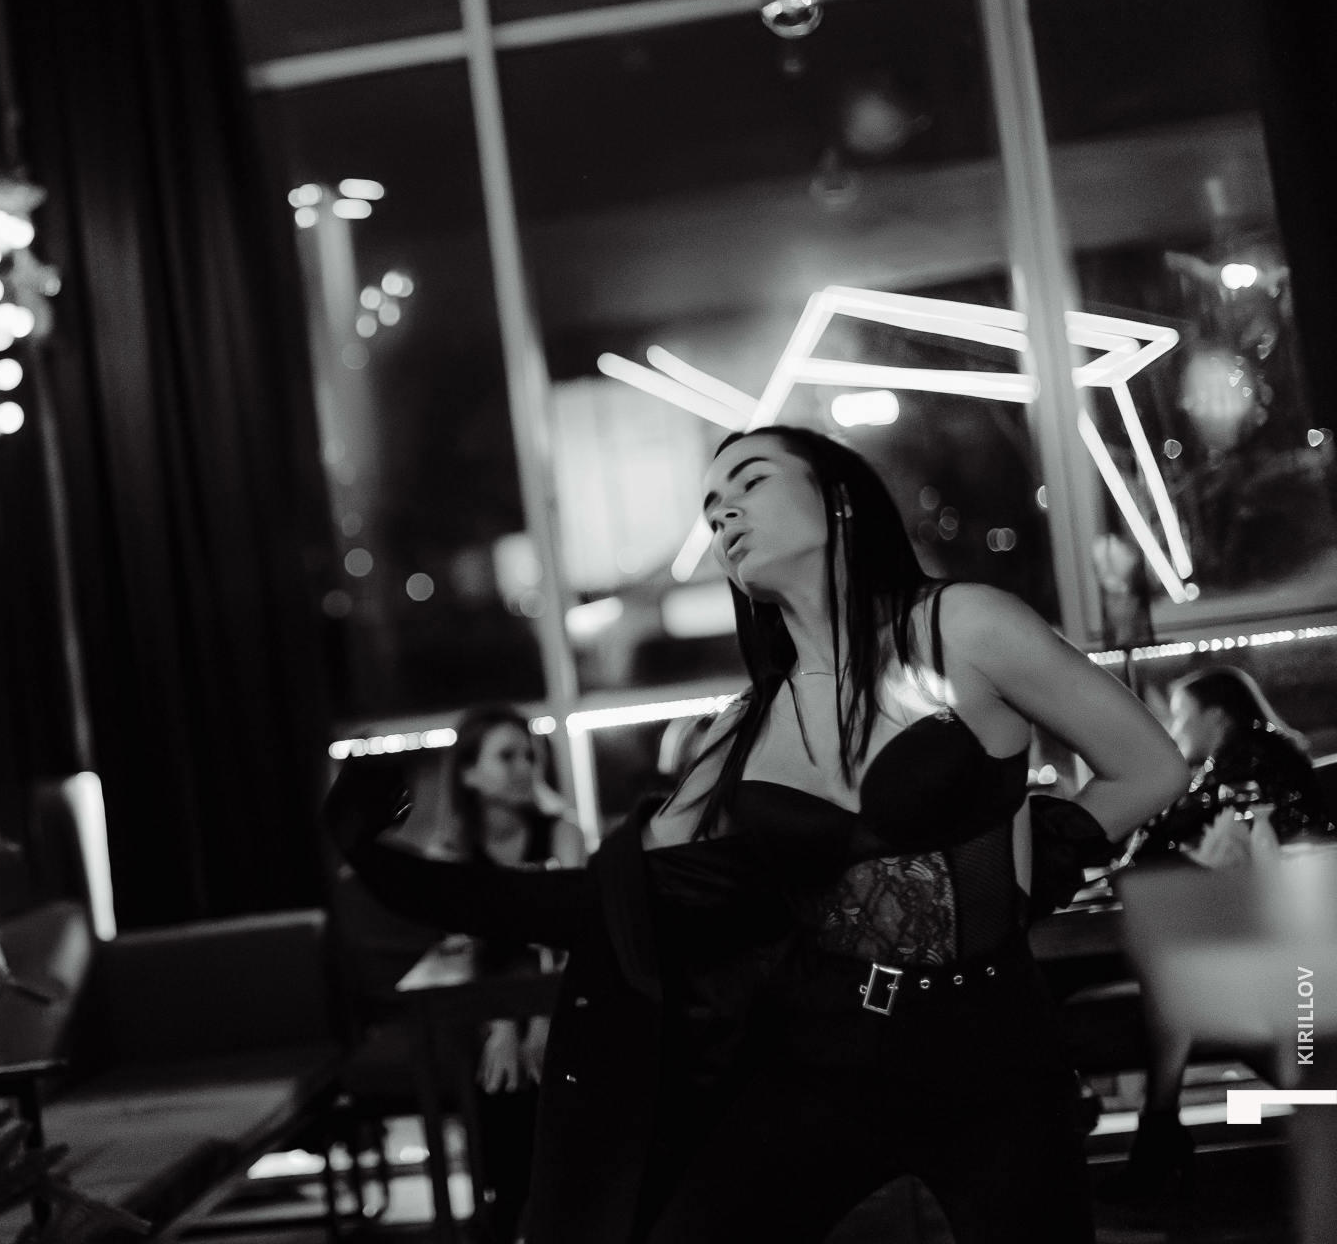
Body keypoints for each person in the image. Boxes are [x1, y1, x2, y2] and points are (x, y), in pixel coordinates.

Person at [325, 425, 1189, 1244]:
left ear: (838, 500)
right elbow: (617, 900)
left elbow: (1150, 767)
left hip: (990, 1048)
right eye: (710, 509)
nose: (723, 513)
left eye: (750, 482)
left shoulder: (962, 626)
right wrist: (387, 867)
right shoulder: (744, 728)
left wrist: (1027, 870)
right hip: (824, 1049)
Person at [1104, 665, 1337, 1198]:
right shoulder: (1258, 754)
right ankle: (1160, 1133)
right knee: (1176, 983)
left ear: (1216, 716)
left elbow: (1163, 837)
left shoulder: (1246, 758)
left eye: (1181, 717)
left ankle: (1160, 1137)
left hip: (1292, 927)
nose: (1175, 730)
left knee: (1179, 986)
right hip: (1294, 917)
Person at [434, 706, 584, 1243]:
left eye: (529, 756)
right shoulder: (450, 852)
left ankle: (529, 1211)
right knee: (492, 1058)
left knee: (549, 1056)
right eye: (506, 756)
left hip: (560, 999)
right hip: (489, 1010)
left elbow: (571, 940)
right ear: (468, 773)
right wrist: (500, 1021)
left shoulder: (562, 834)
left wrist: (540, 1018)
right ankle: (514, 1208)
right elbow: (463, 953)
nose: (524, 767)